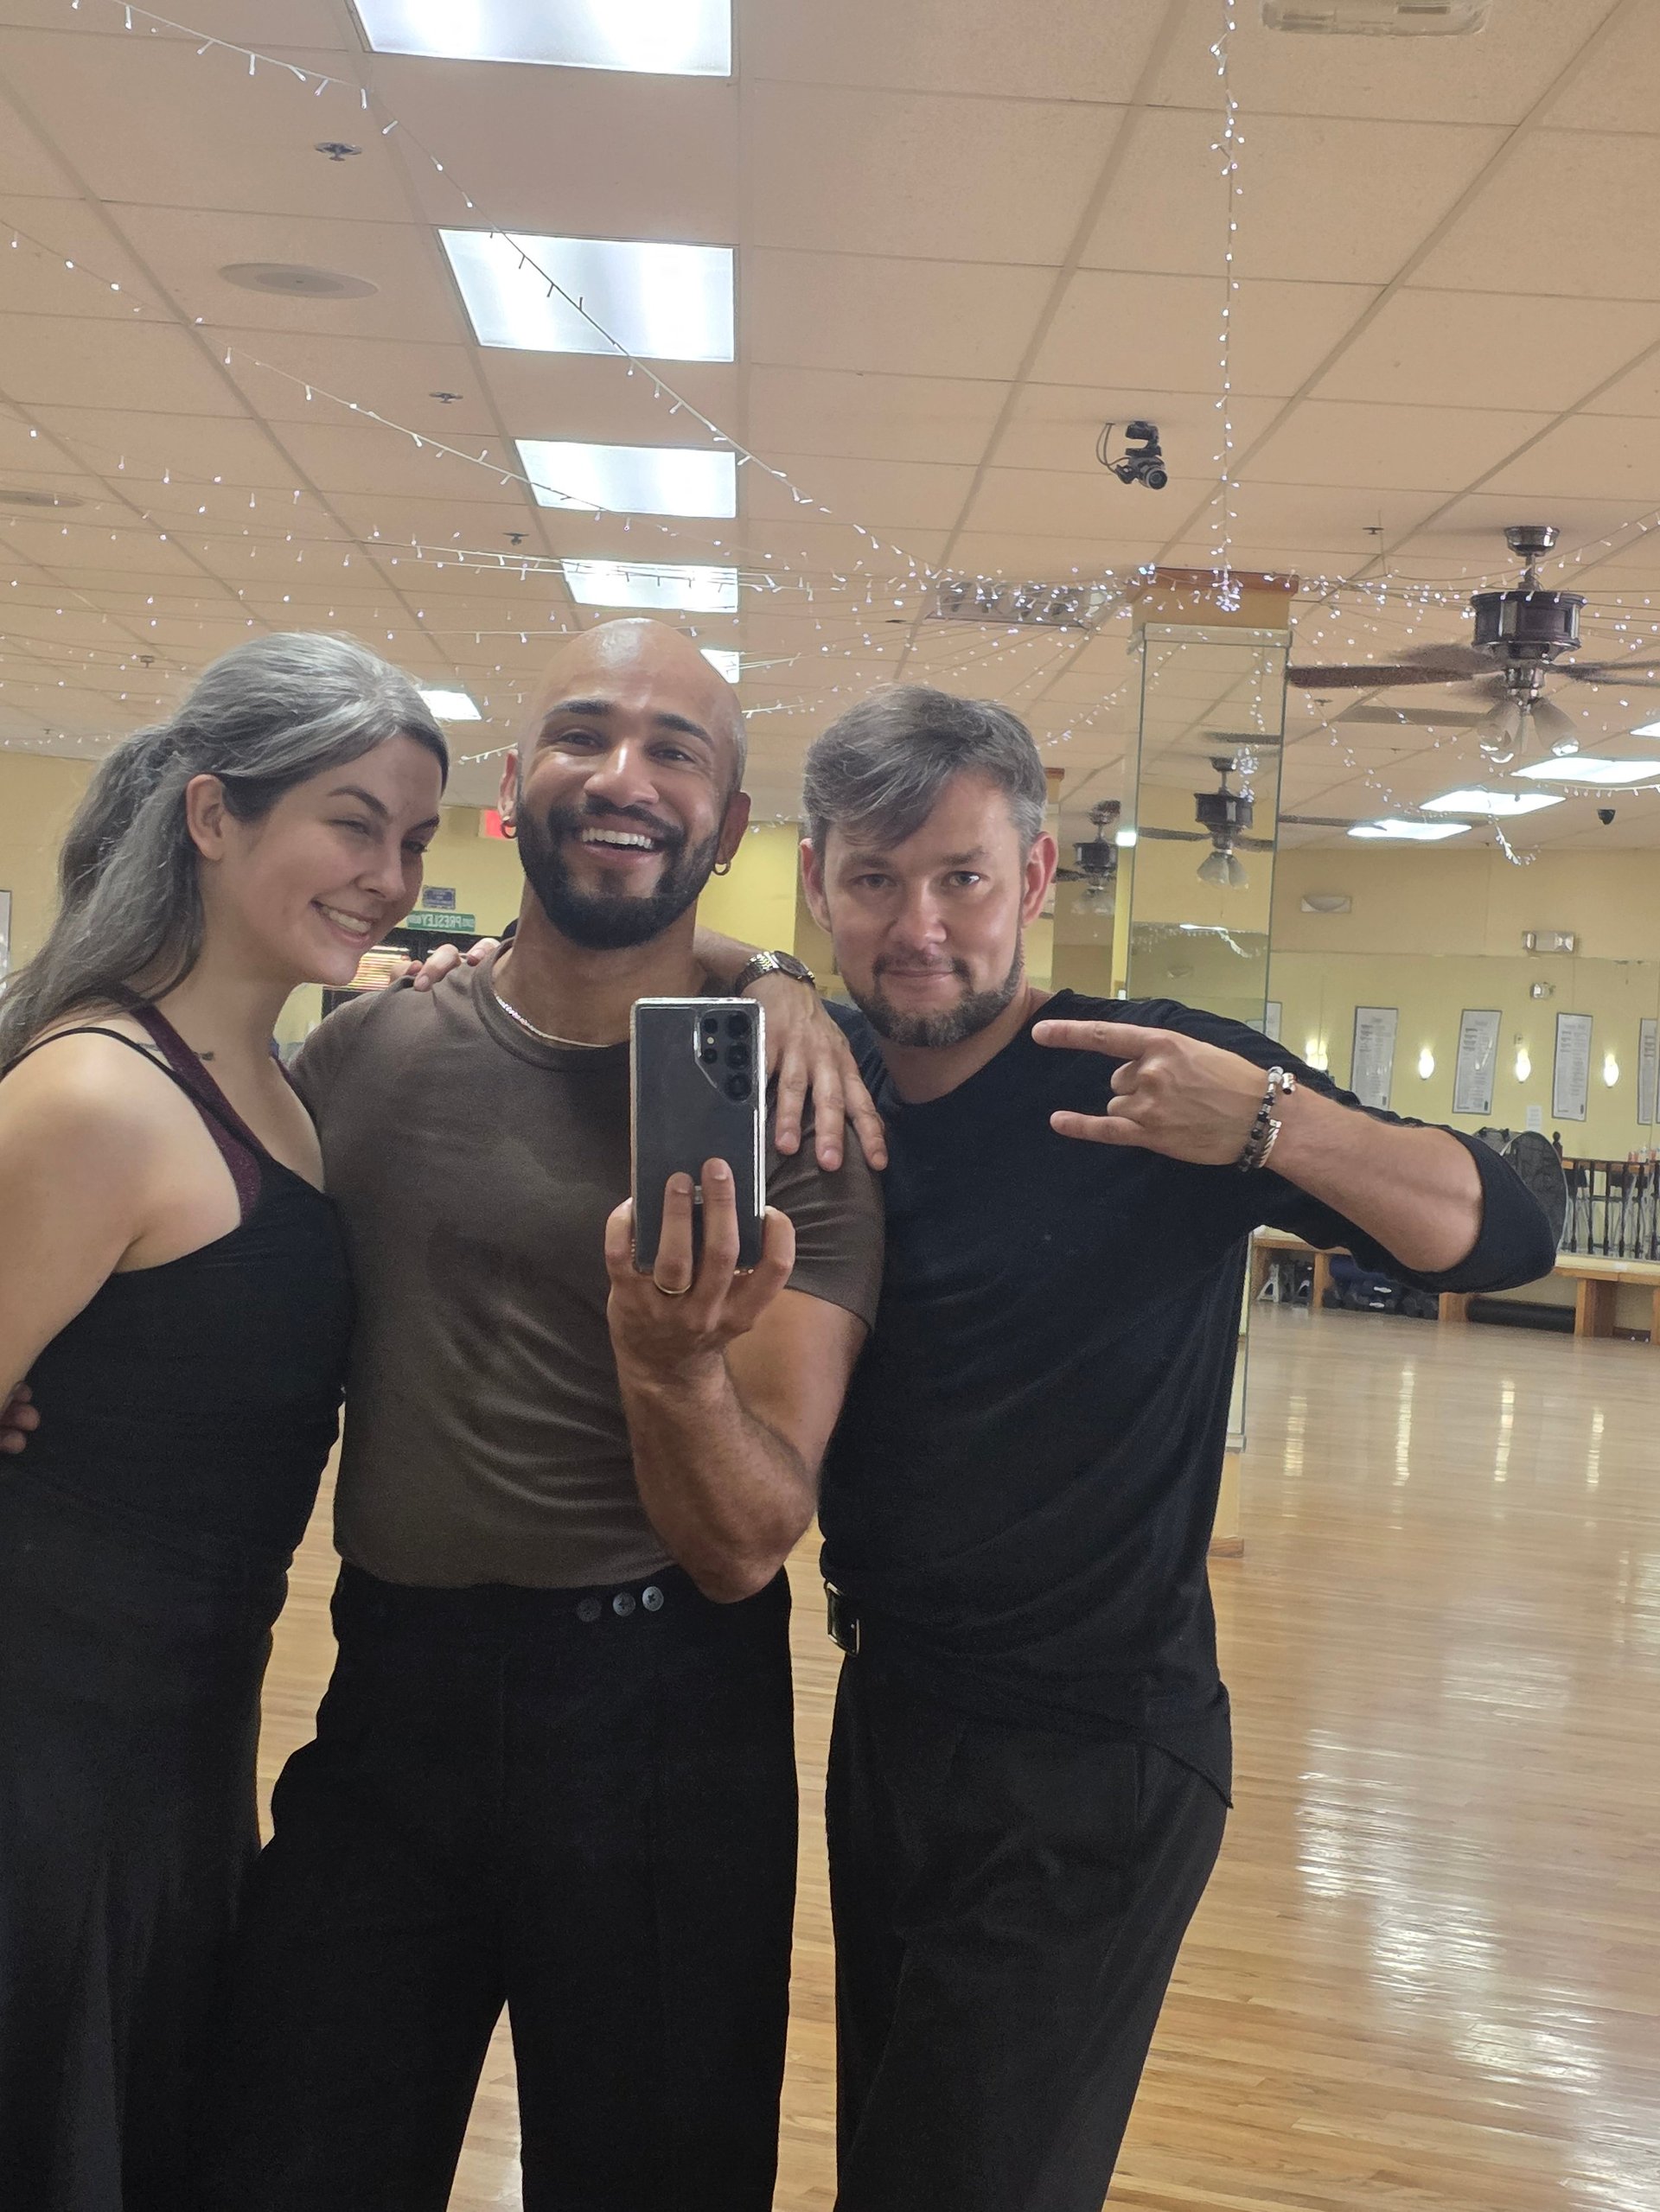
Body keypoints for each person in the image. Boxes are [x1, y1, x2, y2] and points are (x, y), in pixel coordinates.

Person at [787, 686, 1557, 2212]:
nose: (918, 926)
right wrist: (753, 976)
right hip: (889, 1721)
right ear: (818, 883)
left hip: (1096, 1754)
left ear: (1035, 876)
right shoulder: (826, 1084)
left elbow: (1505, 1235)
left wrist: (1270, 1125)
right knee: (894, 2143)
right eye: (873, 881)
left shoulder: (1153, 1074)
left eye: (960, 877)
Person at [201, 619, 884, 2212]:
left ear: (724, 826)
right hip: (394, 1700)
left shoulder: (799, 1113)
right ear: (517, 789)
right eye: (584, 733)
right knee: (282, 2161)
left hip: (666, 1723)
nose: (623, 775)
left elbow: (746, 1542)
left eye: (677, 751)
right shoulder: (357, 1054)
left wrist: (668, 1361)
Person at [0, 634, 450, 2212]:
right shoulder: (98, 1096)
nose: (389, 874)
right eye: (352, 821)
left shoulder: (285, 1083)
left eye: (414, 839)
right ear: (210, 815)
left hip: (178, 1754)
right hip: (42, 1770)